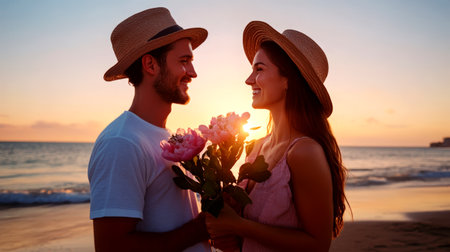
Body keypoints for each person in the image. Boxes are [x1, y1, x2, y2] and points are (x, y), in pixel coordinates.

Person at [205, 21, 349, 251]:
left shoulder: (304, 152)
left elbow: (317, 245)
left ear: (288, 80)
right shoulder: (256, 147)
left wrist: (239, 226)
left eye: (259, 69)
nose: (248, 79)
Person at [88, 7, 211, 251]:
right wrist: (201, 228)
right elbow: (111, 247)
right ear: (150, 65)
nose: (193, 73)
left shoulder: (167, 137)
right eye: (184, 61)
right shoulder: (122, 142)